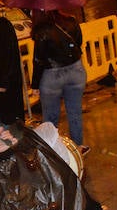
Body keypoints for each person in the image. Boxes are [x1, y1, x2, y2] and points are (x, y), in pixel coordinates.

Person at [31, 8, 86, 146]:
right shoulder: (71, 21)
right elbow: (78, 42)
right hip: (76, 70)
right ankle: (78, 147)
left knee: (50, 117)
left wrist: (35, 85)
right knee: (75, 113)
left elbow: (39, 60)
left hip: (53, 75)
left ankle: (52, 150)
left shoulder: (41, 30)